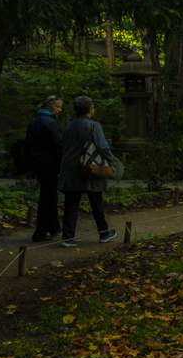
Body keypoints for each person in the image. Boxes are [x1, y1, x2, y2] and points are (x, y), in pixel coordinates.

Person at [57, 94, 117, 247]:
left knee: (71, 203)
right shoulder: (94, 125)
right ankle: (103, 233)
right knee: (96, 200)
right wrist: (111, 160)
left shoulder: (69, 125)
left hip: (70, 167)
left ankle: (68, 238)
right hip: (90, 167)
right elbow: (102, 146)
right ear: (90, 109)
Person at [25, 95, 63, 243]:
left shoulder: (34, 121)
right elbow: (58, 145)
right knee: (49, 197)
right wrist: (63, 164)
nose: (59, 110)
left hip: (38, 164)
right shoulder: (50, 123)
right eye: (57, 106)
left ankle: (53, 227)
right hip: (49, 165)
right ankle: (40, 232)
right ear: (49, 106)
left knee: (49, 195)